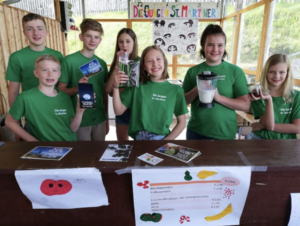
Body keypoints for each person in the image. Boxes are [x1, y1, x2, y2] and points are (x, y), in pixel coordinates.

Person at [183, 24, 250, 140]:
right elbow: (182, 102)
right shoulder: (193, 71)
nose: (215, 49)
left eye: (220, 45)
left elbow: (246, 105)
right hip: (195, 132)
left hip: (225, 134)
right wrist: (198, 88)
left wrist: (218, 97)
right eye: (210, 45)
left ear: (224, 47)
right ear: (203, 47)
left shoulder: (235, 72)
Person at [5, 13, 63, 140]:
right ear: (24, 32)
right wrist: (17, 122)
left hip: (57, 112)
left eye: (40, 28)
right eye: (30, 29)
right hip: (33, 115)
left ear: (47, 32)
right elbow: (13, 92)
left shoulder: (57, 55)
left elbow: (62, 87)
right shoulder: (17, 57)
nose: (36, 33)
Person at [113, 45, 188, 140]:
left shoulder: (176, 91)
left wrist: (165, 142)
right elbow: (118, 111)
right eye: (149, 61)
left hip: (162, 139)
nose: (155, 64)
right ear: (143, 66)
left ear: (164, 62)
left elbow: (182, 122)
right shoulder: (136, 86)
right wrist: (115, 86)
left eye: (158, 59)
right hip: (139, 140)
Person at [5, 55, 84, 141]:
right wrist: (33, 141)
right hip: (43, 149)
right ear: (36, 73)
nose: (50, 74)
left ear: (59, 74)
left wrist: (79, 112)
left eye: (54, 70)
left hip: (69, 145)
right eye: (45, 70)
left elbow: (73, 129)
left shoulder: (65, 97)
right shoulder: (25, 98)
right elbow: (9, 121)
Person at [58, 19, 109, 141]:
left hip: (99, 119)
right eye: (88, 36)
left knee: (99, 154)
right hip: (78, 120)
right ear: (81, 37)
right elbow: (60, 90)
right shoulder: (68, 61)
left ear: (100, 40)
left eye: (96, 37)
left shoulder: (101, 63)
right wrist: (77, 88)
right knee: (82, 157)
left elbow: (104, 94)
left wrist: (106, 118)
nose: (92, 40)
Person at [250, 54, 300, 139]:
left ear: (287, 73)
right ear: (266, 72)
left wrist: (262, 125)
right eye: (272, 72)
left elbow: (297, 128)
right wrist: (269, 99)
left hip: (287, 143)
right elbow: (269, 126)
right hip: (261, 139)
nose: (276, 76)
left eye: (281, 72)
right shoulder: (258, 94)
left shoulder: (297, 96)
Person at [105, 28, 140, 141]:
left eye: (128, 41)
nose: (124, 45)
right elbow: (108, 91)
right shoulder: (116, 62)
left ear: (134, 42)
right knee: (123, 146)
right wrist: (116, 65)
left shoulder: (142, 62)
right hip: (121, 111)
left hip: (139, 110)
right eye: (121, 41)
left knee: (141, 146)